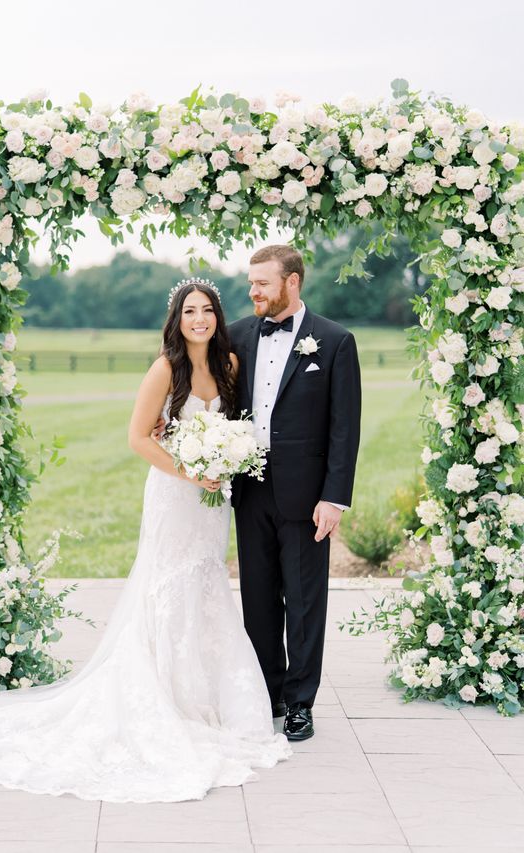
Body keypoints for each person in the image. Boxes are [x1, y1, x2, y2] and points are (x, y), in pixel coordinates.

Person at [0, 277, 291, 802]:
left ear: (218, 317)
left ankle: (212, 695)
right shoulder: (165, 368)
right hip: (175, 493)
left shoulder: (229, 366)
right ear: (177, 320)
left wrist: (225, 458)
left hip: (213, 500)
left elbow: (235, 426)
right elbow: (137, 438)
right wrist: (191, 471)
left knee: (207, 580)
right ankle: (166, 694)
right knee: (169, 583)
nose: (199, 319)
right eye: (189, 311)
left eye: (207, 311)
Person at [229, 245, 361, 741]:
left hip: (308, 496)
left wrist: (334, 497)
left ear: (292, 282)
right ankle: (270, 693)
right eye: (251, 282)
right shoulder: (237, 336)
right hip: (249, 487)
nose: (254, 291)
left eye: (262, 283)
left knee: (305, 602)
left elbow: (345, 427)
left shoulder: (335, 341)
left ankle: (301, 703)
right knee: (258, 598)